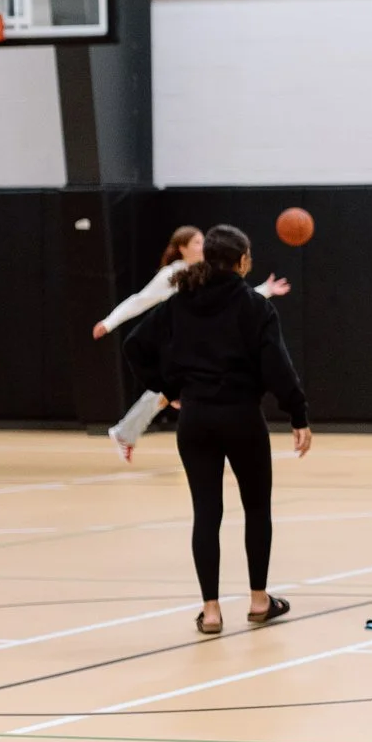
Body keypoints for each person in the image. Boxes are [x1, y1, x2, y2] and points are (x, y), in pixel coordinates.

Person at [123, 224, 313, 635]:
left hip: (196, 420)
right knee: (257, 508)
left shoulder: (179, 303)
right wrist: (298, 415)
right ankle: (260, 601)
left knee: (206, 514)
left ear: (208, 259)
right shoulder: (255, 307)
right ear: (243, 261)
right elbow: (278, 368)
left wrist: (169, 389)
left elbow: (133, 346)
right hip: (242, 417)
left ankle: (210, 611)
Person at [94, 226, 290, 461]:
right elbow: (140, 300)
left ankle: (127, 432)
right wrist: (109, 322)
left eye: (203, 241)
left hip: (199, 342)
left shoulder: (208, 272)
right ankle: (134, 433)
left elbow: (235, 299)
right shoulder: (172, 274)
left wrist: (266, 290)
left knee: (176, 393)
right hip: (175, 342)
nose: (202, 245)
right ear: (182, 248)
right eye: (196, 242)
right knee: (185, 390)